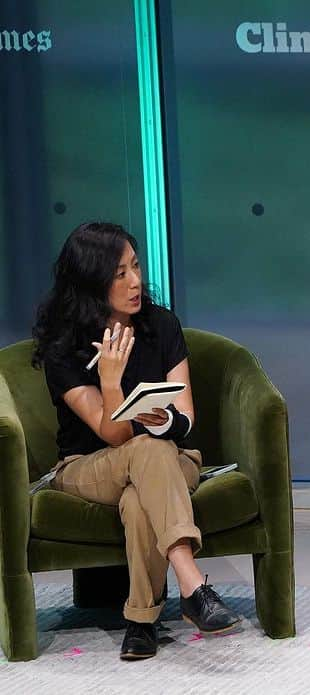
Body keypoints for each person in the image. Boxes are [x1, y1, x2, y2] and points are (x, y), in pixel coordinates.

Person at [31, 222, 242, 661]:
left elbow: (185, 418)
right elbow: (111, 433)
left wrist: (162, 418)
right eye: (120, 273)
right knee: (140, 452)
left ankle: (141, 621)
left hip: (170, 456)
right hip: (88, 468)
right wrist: (110, 380)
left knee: (140, 489)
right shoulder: (63, 347)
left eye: (136, 266)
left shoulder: (160, 325)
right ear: (92, 283)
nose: (136, 282)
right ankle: (193, 584)